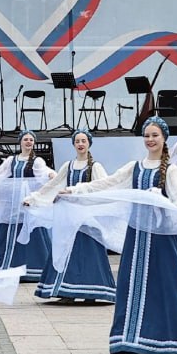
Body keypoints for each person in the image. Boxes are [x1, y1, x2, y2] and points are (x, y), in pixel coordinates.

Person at [64, 117, 177, 354]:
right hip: (137, 235)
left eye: (155, 135)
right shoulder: (135, 167)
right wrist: (74, 190)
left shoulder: (171, 170)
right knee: (131, 283)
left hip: (161, 237)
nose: (150, 140)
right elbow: (106, 183)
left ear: (164, 138)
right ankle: (130, 340)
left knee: (164, 285)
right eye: (147, 136)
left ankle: (163, 340)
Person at [23, 128, 116, 303]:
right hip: (70, 218)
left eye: (83, 141)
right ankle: (67, 292)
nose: (80, 144)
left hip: (88, 218)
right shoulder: (69, 166)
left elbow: (104, 187)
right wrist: (34, 198)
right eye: (77, 141)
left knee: (90, 253)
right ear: (73, 144)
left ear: (89, 143)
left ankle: (92, 292)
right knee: (67, 251)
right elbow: (53, 185)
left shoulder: (95, 167)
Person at [0, 129, 54, 281]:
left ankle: (34, 269)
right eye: (25, 139)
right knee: (8, 232)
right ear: (20, 142)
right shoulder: (12, 160)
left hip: (29, 203)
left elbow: (44, 173)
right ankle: (5, 268)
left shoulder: (37, 161)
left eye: (31, 140)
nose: (28, 142)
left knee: (33, 233)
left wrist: (52, 175)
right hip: (13, 203)